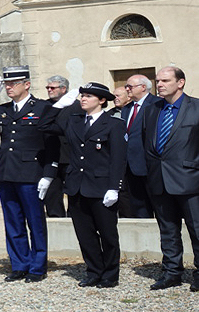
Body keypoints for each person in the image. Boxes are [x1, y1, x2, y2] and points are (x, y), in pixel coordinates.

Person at [0, 66, 59, 283]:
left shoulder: (44, 108)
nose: (8, 87)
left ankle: (37, 266)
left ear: (26, 84)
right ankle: (19, 264)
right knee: (13, 222)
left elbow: (52, 144)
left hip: (31, 173)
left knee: (35, 222)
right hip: (6, 172)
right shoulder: (3, 109)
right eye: (6, 84)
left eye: (13, 83)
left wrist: (49, 173)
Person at [39, 83, 127, 288]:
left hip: (101, 187)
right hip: (77, 186)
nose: (83, 99)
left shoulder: (113, 124)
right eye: (82, 96)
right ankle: (94, 271)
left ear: (102, 100)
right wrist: (58, 106)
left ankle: (110, 274)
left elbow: (118, 159)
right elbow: (43, 125)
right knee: (85, 234)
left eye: (88, 96)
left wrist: (114, 187)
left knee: (107, 234)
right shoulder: (74, 122)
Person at [141, 66, 199, 292]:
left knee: (196, 230)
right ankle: (172, 272)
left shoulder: (195, 108)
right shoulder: (152, 109)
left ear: (181, 82)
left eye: (165, 80)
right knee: (167, 230)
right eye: (157, 81)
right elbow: (148, 143)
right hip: (159, 180)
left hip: (190, 180)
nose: (159, 85)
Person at [43, 75, 81, 218]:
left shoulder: (77, 106)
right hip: (51, 155)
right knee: (52, 192)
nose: (49, 90)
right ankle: (55, 217)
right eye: (48, 88)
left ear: (64, 89)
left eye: (52, 87)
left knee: (73, 191)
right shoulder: (46, 106)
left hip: (71, 155)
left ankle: (75, 217)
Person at [122, 75, 159, 218]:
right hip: (131, 167)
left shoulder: (157, 104)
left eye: (130, 86)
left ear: (143, 87)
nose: (127, 89)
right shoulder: (127, 109)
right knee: (139, 208)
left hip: (150, 165)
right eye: (126, 86)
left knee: (160, 206)